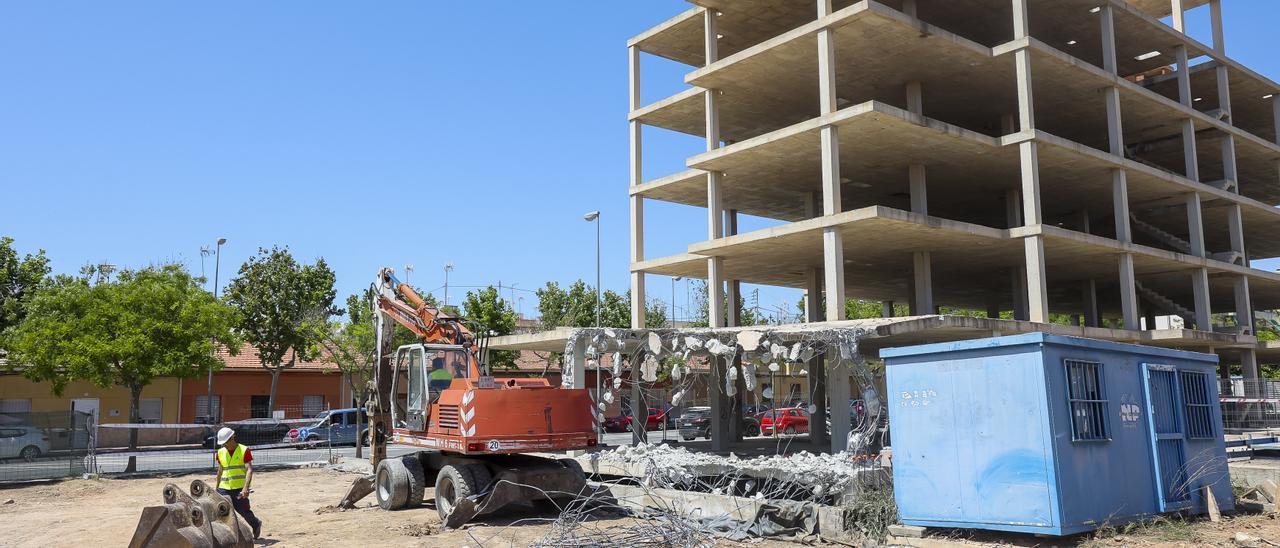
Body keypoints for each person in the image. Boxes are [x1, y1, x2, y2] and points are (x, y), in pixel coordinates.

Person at [214, 427, 262, 538]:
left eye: (226, 442)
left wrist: (246, 488)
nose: (224, 445)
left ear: (232, 438)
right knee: (223, 511)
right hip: (224, 488)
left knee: (243, 511)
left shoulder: (244, 450)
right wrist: (216, 488)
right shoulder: (220, 452)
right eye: (223, 443)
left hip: (239, 488)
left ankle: (256, 524)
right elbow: (220, 471)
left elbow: (249, 469)